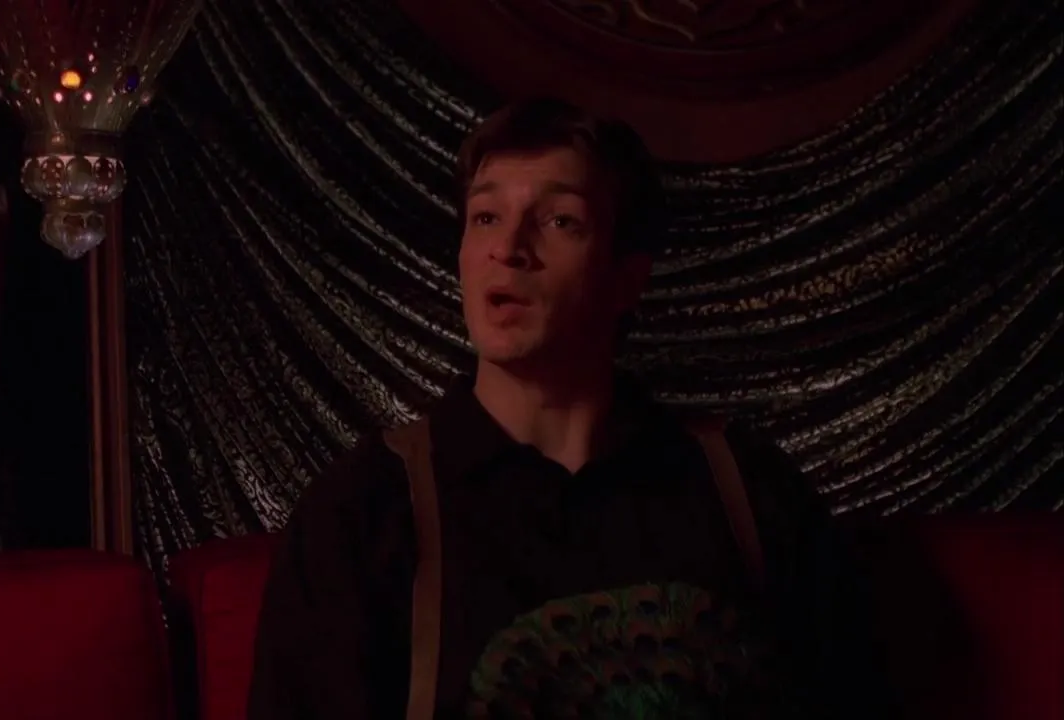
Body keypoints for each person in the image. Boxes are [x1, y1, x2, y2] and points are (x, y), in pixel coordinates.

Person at [248, 98, 888, 719]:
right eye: (486, 217)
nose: (508, 248)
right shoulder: (365, 514)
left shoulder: (746, 489)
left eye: (559, 221)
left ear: (626, 277)